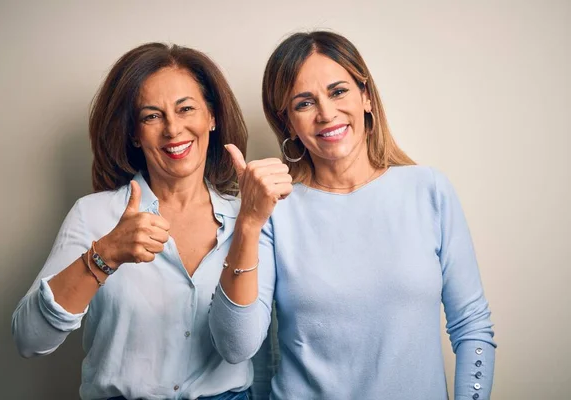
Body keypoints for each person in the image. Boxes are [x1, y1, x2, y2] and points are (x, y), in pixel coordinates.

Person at [209, 31, 496, 400]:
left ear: (366, 96)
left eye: (338, 91)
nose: (327, 113)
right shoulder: (274, 211)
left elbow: (472, 326)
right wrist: (248, 222)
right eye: (304, 103)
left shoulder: (429, 190)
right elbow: (237, 347)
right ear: (288, 123)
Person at [12, 42, 253, 400]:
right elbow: (29, 339)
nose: (173, 129)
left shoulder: (247, 216)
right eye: (152, 116)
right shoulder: (95, 214)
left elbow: (261, 348)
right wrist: (103, 256)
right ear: (134, 134)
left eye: (186, 108)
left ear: (212, 117)